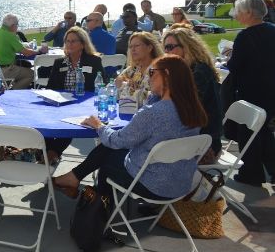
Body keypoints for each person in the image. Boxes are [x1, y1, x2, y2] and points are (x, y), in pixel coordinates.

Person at [53, 55, 207, 201]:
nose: (148, 77)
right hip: (180, 183)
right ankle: (73, 179)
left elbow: (117, 140)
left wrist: (98, 125)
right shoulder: (193, 109)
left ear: (166, 75)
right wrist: (156, 93)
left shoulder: (154, 113)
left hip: (153, 185)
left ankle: (96, 215)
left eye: (152, 73)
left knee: (108, 157)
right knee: (110, 149)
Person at [223, 0, 275, 185]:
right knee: (262, 131)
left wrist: (229, 58)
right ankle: (270, 169)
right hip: (270, 90)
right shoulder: (272, 30)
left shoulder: (245, 36)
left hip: (251, 91)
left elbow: (235, 66)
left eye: (239, 11)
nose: (236, 15)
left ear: (249, 13)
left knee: (248, 133)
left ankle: (251, 174)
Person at [45, 27, 105, 162]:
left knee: (69, 125)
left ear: (83, 44)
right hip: (61, 104)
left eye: (73, 41)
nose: (69, 44)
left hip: (84, 105)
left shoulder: (93, 61)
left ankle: (52, 153)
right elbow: (50, 87)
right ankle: (50, 152)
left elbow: (102, 84)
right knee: (44, 122)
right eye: (67, 41)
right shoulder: (59, 62)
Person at [163, 27, 223, 158]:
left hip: (203, 143)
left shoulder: (199, 72)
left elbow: (184, 109)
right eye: (165, 48)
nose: (167, 52)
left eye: (171, 47)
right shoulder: (184, 69)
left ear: (187, 47)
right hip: (192, 135)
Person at [0, 14, 43, 89]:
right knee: (31, 74)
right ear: (13, 25)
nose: (17, 27)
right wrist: (39, 51)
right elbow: (26, 53)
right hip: (5, 70)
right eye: (17, 25)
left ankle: (8, 89)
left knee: (20, 69)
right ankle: (13, 92)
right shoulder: (9, 35)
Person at [115, 32, 163, 108]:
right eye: (131, 47)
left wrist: (124, 85)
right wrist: (122, 82)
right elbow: (115, 86)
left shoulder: (157, 70)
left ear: (149, 48)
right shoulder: (133, 69)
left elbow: (146, 99)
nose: (133, 50)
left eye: (137, 46)